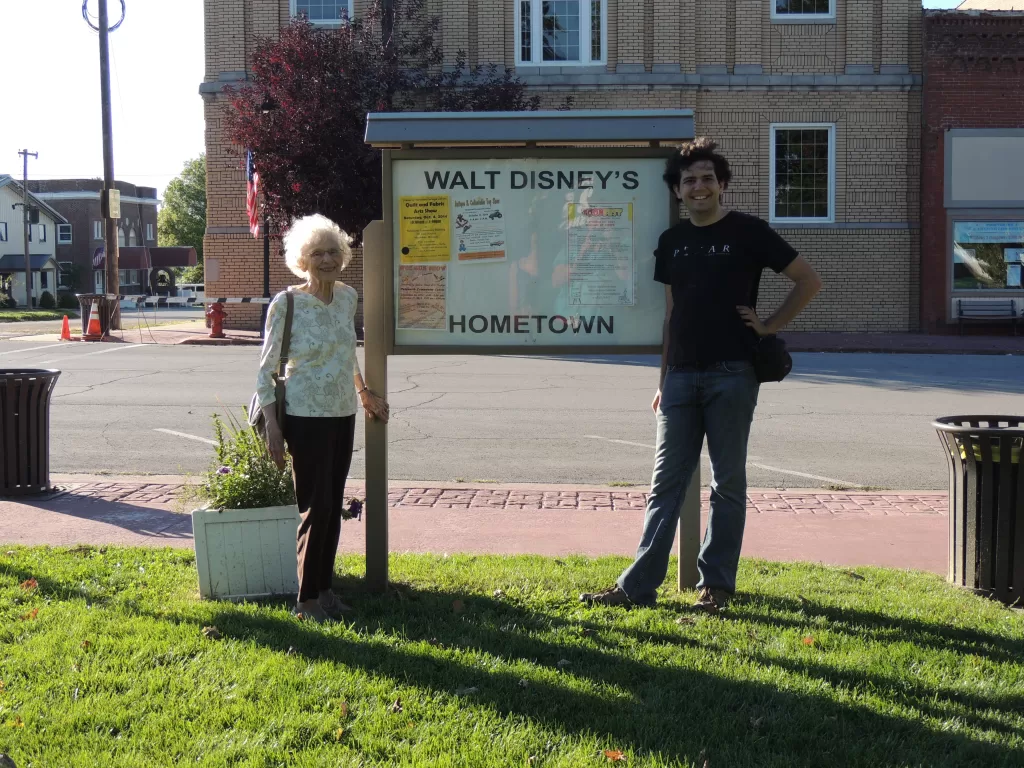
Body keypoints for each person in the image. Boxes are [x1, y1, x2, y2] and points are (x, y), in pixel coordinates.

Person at [581, 138, 822, 614]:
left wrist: (770, 323)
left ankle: (716, 587)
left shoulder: (749, 232)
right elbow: (672, 316)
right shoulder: (672, 243)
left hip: (733, 373)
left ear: (722, 184)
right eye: (689, 179)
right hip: (681, 378)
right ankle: (637, 586)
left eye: (708, 178)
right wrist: (662, 377)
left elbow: (808, 280)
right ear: (677, 190)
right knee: (665, 484)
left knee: (727, 482)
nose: (699, 187)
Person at [256, 213, 390, 622]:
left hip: (341, 412)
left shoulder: (347, 297)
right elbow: (265, 369)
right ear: (302, 260)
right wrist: (274, 428)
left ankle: (326, 590)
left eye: (333, 251)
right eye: (318, 253)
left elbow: (346, 351)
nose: (327, 259)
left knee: (333, 506)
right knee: (316, 506)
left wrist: (362, 390)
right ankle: (306, 599)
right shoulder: (288, 303)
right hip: (304, 414)